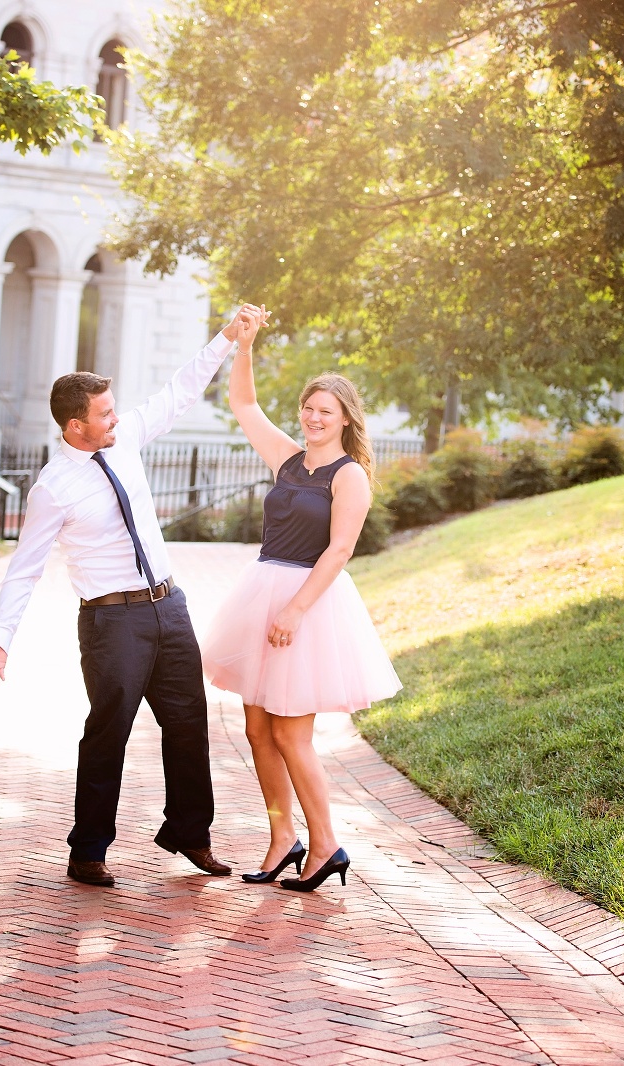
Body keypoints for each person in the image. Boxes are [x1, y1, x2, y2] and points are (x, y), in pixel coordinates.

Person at [0, 304, 266, 888]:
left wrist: (227, 338)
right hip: (112, 623)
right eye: (103, 413)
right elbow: (24, 570)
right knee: (109, 732)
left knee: (189, 722)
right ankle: (87, 851)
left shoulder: (125, 437)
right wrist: (0, 639)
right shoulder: (54, 488)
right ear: (74, 426)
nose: (115, 418)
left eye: (113, 409)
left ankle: (190, 834)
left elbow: (178, 391)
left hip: (169, 606)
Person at [202, 308, 402, 892]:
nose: (314, 418)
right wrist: (244, 346)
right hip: (261, 593)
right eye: (309, 408)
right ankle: (281, 836)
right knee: (257, 731)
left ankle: (326, 843)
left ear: (346, 420)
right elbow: (244, 405)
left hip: (307, 606)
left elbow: (340, 551)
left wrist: (294, 610)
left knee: (291, 734)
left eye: (326, 412)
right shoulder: (288, 459)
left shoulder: (349, 475)